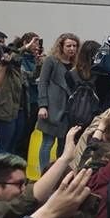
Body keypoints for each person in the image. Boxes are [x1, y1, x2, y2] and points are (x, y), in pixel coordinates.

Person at [35, 34, 80, 174]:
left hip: (69, 110)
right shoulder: (51, 61)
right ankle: (44, 174)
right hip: (52, 107)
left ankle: (57, 174)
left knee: (63, 144)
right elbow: (42, 82)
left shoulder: (76, 64)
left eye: (74, 46)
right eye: (68, 46)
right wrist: (43, 105)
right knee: (47, 143)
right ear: (61, 46)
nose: (72, 48)